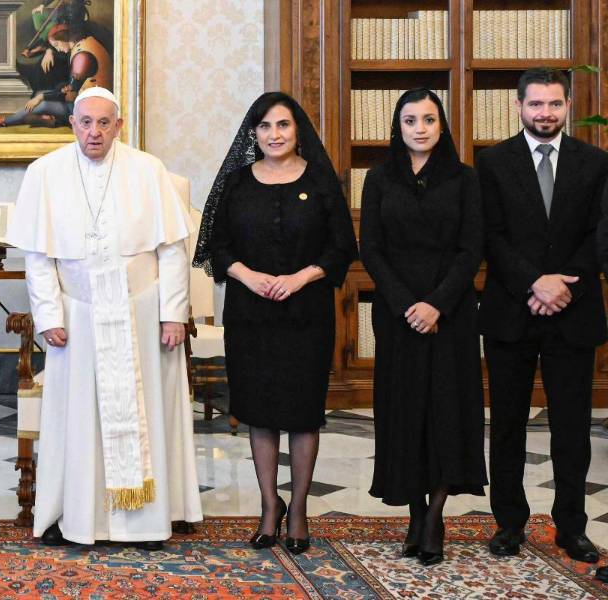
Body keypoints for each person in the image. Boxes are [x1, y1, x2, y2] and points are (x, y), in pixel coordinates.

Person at [5, 86, 203, 551]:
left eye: (104, 123)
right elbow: (38, 258)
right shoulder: (44, 172)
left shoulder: (148, 169)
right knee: (76, 421)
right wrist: (48, 315)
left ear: (118, 126)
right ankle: (73, 518)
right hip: (77, 313)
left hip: (141, 312)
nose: (94, 132)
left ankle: (146, 523)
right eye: (86, 122)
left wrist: (173, 314)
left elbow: (172, 250)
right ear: (72, 124)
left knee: (147, 416)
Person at [195, 92, 357, 555]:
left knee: (303, 413)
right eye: (264, 126)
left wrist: (301, 277)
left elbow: (342, 247)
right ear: (254, 133)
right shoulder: (237, 183)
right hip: (251, 315)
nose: (274, 134)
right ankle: (270, 506)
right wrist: (248, 275)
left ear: (297, 130)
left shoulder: (321, 182)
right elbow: (216, 246)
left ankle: (299, 509)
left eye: (282, 125)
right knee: (259, 412)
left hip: (307, 314)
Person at [482, 68, 608, 563]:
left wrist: (562, 286)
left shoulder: (596, 163)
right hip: (512, 310)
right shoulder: (492, 163)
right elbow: (491, 236)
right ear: (519, 106)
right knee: (507, 424)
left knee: (572, 427)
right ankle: (509, 524)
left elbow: (599, 235)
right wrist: (534, 282)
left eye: (555, 103)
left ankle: (571, 527)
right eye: (535, 104)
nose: (545, 113)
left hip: (573, 312)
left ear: (568, 106)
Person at [360, 89, 487, 566]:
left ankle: (435, 515)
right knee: (404, 411)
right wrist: (407, 305)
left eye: (429, 119)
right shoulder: (378, 178)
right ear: (398, 126)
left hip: (451, 314)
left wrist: (435, 305)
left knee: (448, 411)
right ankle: (415, 510)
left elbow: (471, 249)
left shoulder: (464, 178)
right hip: (397, 316)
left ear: (441, 125)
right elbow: (371, 249)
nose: (420, 128)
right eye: (410, 120)